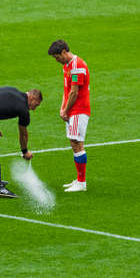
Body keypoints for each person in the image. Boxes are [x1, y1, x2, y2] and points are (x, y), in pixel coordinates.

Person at [48, 39, 90, 192]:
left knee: (77, 142)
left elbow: (74, 92)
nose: (57, 60)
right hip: (71, 110)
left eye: (57, 57)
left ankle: (82, 183)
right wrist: (62, 108)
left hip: (78, 110)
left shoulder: (77, 66)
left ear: (64, 52)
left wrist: (66, 110)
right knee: (74, 143)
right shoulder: (67, 65)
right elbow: (66, 90)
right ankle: (79, 180)